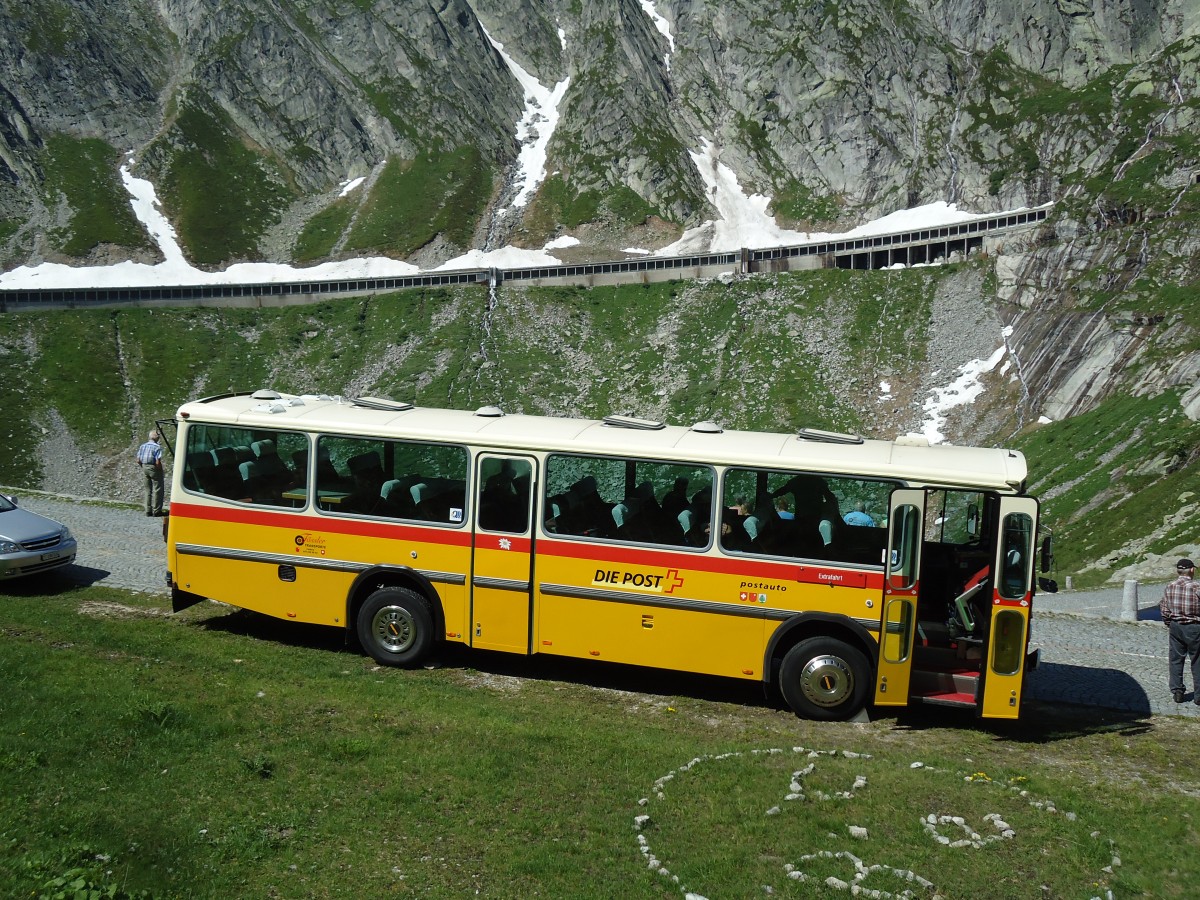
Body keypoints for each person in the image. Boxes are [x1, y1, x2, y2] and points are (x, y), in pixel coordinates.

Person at [1159, 558, 1200, 704]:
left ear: (1178, 571)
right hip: (1194, 626)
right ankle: (1199, 696)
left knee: (1176, 659)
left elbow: (1164, 608)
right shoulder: (1196, 587)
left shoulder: (1170, 586)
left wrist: (1169, 623)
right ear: (1191, 570)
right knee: (1197, 660)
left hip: (1176, 626)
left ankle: (1177, 692)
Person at [136, 429, 165, 517]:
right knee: (158, 489)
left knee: (147, 490)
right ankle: (157, 511)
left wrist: (143, 466)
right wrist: (160, 470)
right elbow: (157, 462)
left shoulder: (142, 446)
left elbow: (138, 460)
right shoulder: (157, 447)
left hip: (144, 467)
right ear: (157, 438)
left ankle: (148, 510)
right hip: (153, 467)